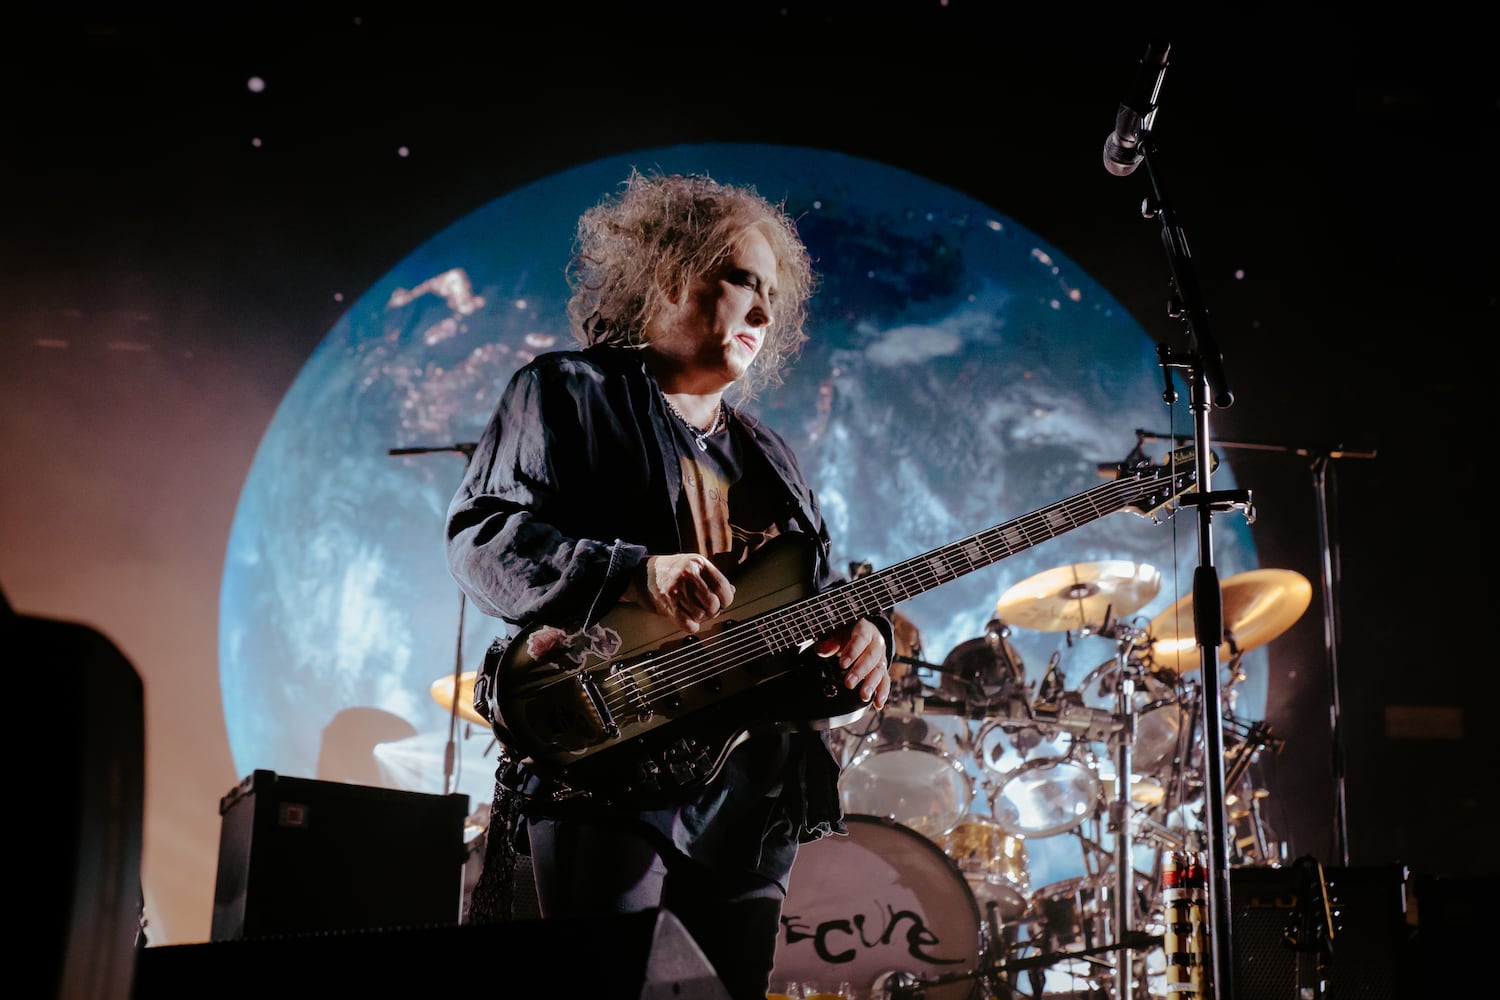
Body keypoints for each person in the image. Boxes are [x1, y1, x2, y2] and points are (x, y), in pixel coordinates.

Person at [445, 169, 896, 1000]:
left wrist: (864, 638)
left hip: (753, 790)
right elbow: (484, 539)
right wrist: (632, 572)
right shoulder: (564, 392)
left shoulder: (772, 458)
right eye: (742, 282)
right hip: (611, 768)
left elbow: (809, 602)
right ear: (667, 274)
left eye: (773, 296)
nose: (763, 313)